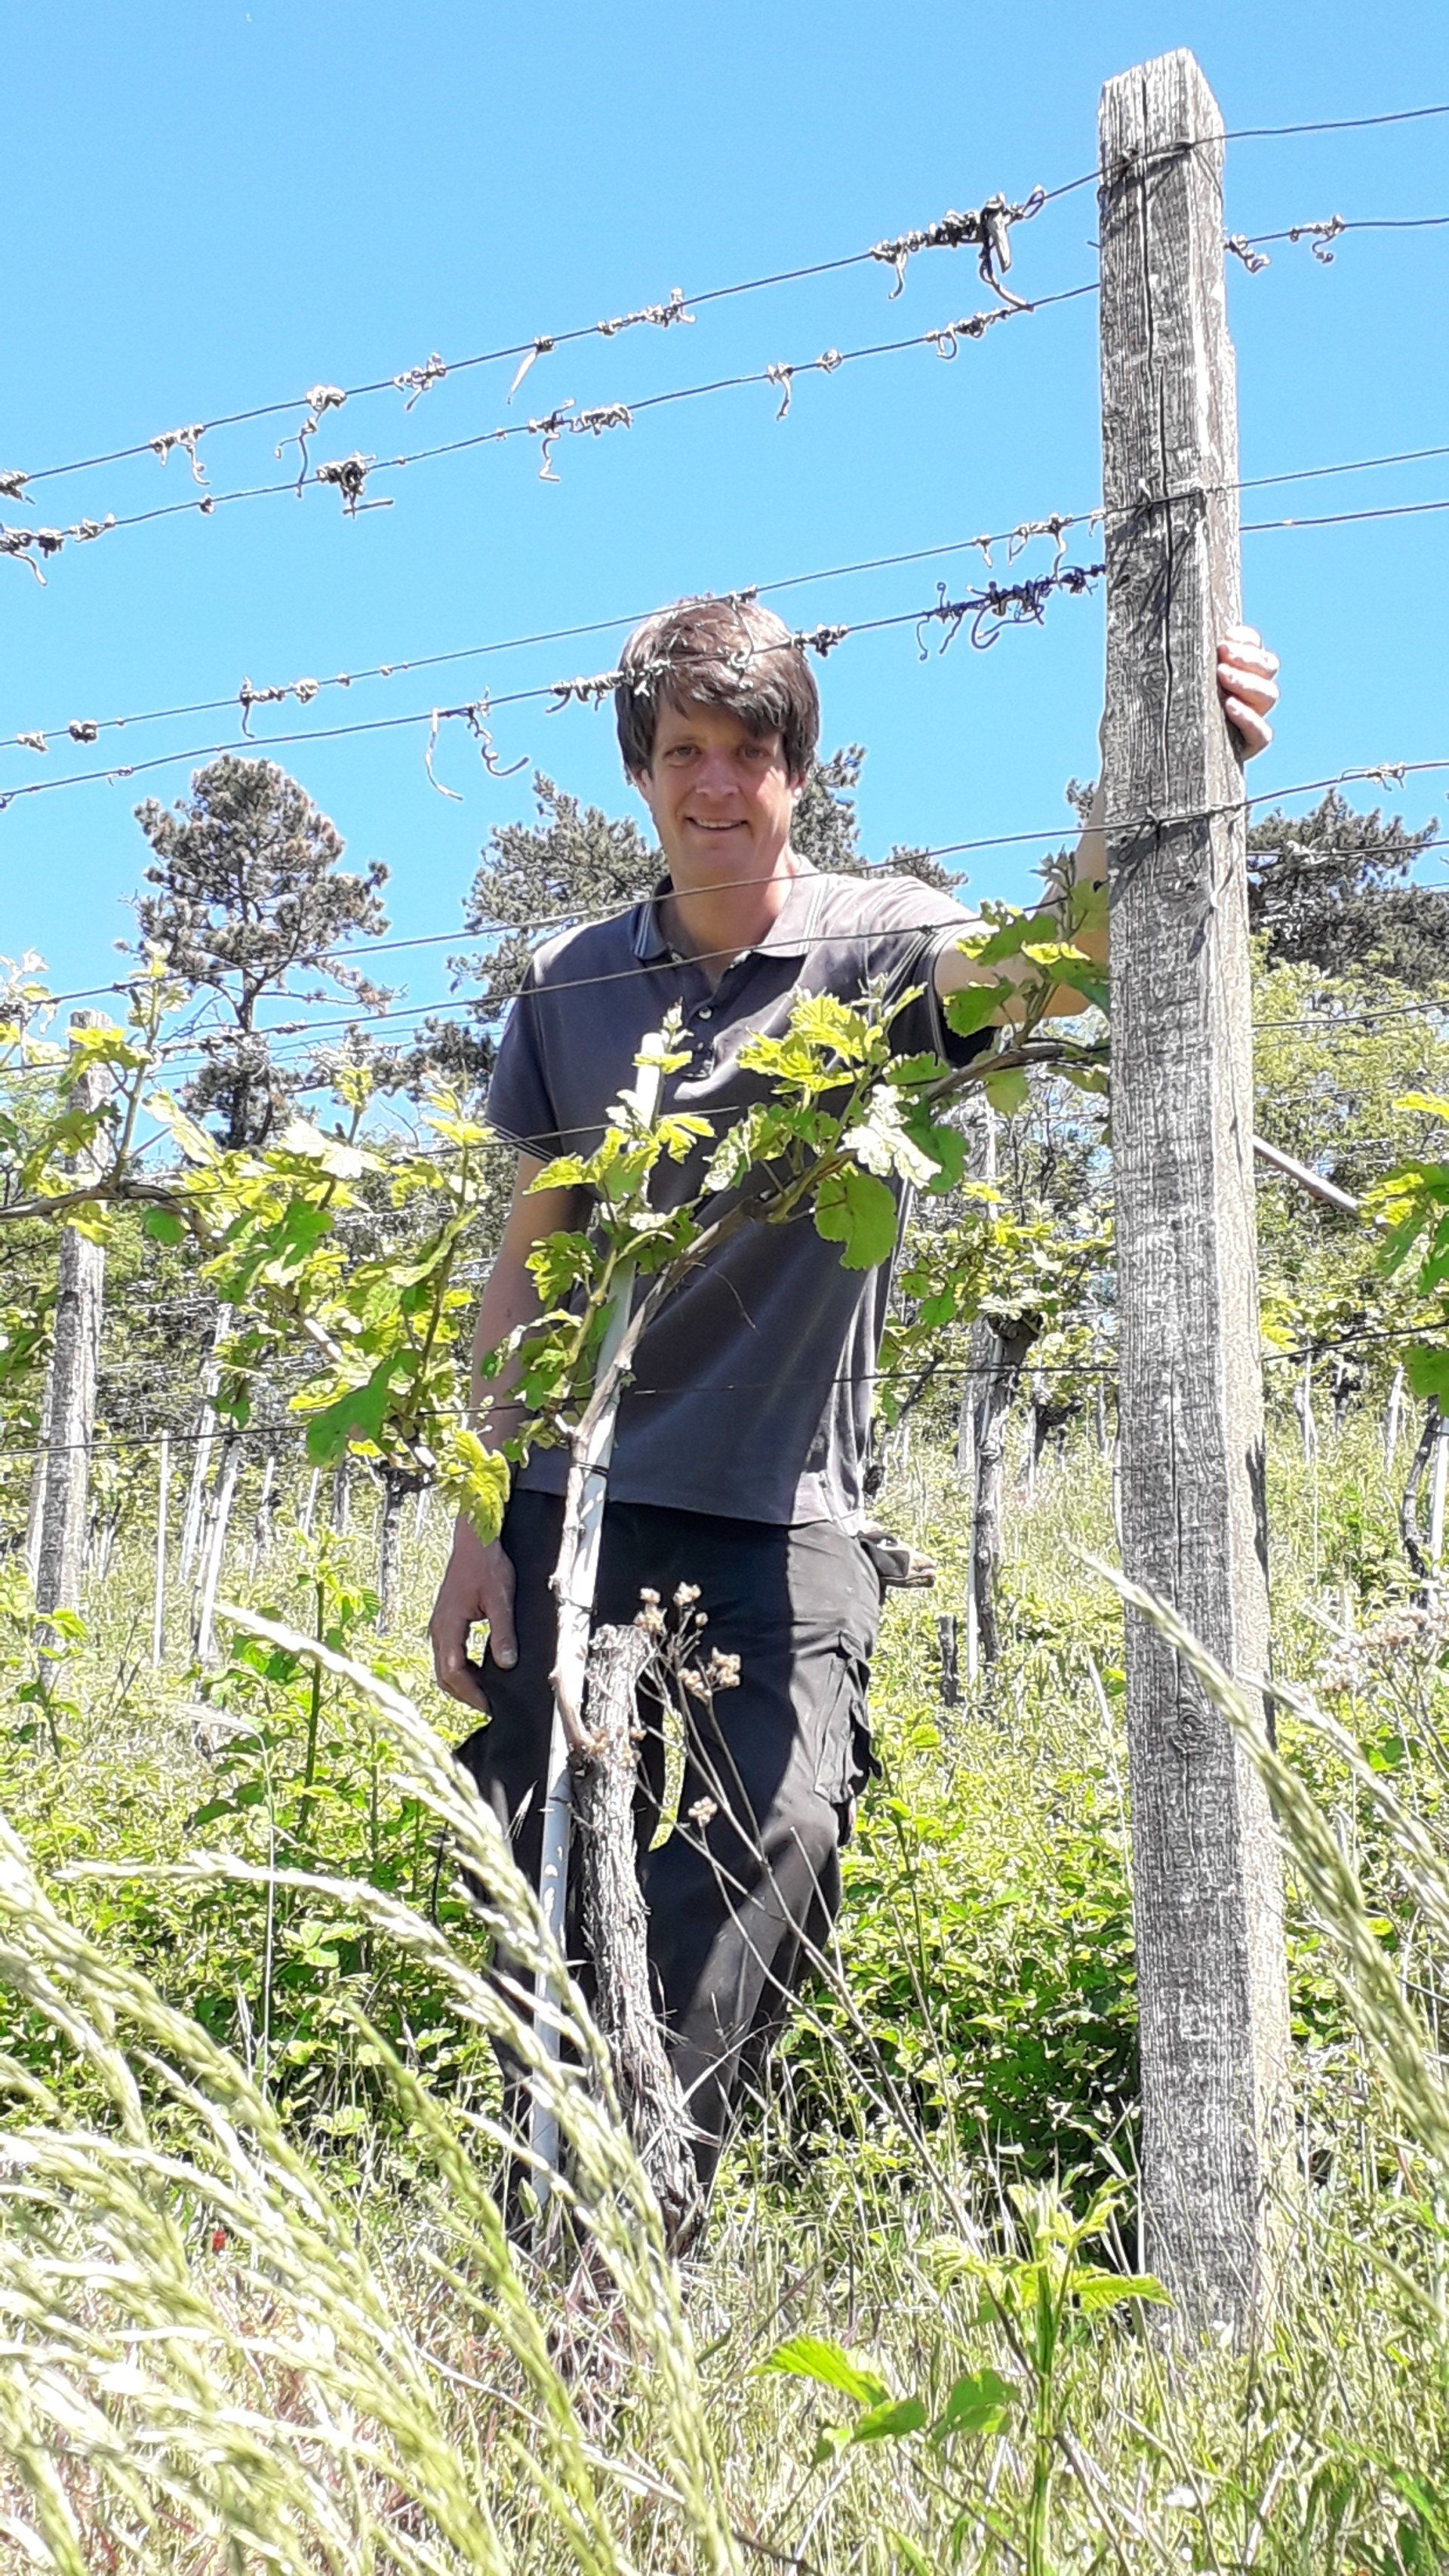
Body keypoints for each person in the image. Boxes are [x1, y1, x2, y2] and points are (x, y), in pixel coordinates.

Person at [429, 594, 1280, 2199]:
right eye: (686, 750)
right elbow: (525, 1267)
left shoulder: (879, 941)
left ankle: (640, 2206)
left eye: (751, 752)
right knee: (530, 1853)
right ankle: (531, 2208)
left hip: (784, 1510)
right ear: (640, 772)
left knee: (785, 1833)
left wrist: (1166, 762)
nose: (718, 784)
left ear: (798, 771)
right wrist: (479, 1523)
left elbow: (1061, 962)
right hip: (572, 1496)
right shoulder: (567, 985)